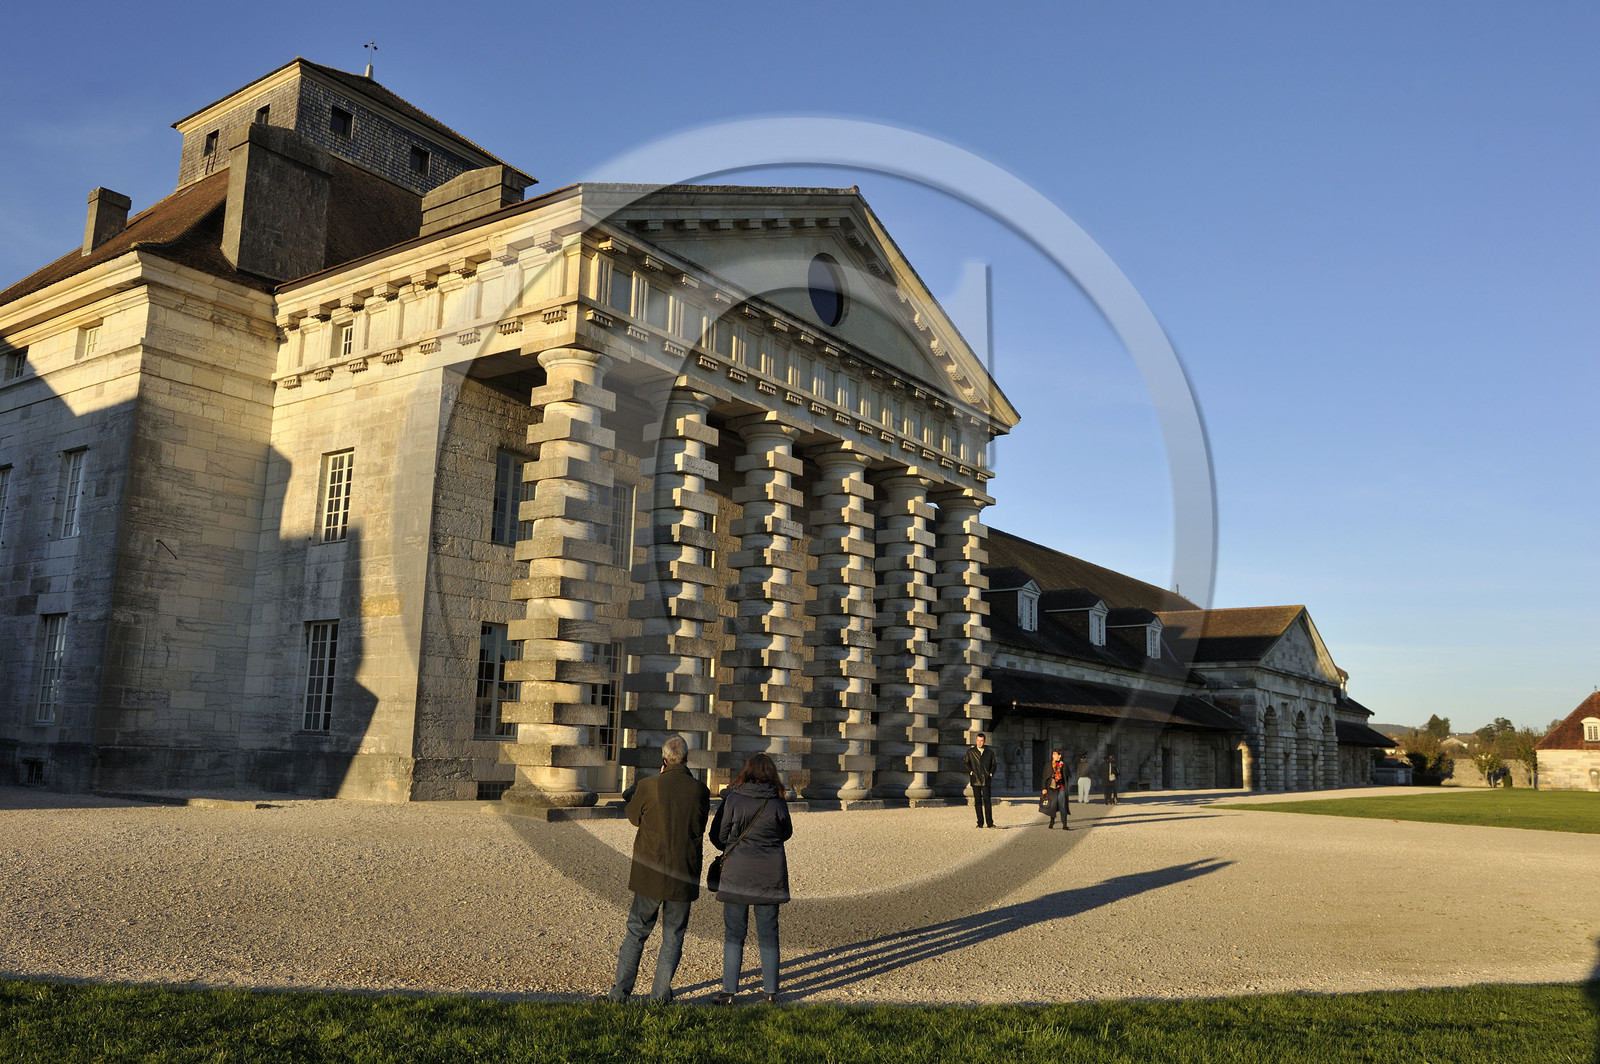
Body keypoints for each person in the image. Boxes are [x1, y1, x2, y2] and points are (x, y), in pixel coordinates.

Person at [608, 734, 710, 1003]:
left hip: (649, 872)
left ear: (663, 761)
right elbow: (699, 827)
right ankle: (660, 995)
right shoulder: (700, 790)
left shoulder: (648, 785)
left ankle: (620, 994)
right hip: (683, 873)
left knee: (637, 931)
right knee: (673, 935)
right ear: (687, 758)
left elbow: (632, 819)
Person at [708, 752, 793, 1005]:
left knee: (734, 933)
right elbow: (786, 833)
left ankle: (729, 991)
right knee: (769, 933)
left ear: (747, 772)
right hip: (769, 873)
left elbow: (718, 836)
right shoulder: (778, 802)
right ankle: (770, 992)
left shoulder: (734, 799)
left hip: (737, 872)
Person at [964, 731, 997, 828]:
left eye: (981, 741)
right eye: (978, 740)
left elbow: (994, 764)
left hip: (986, 779)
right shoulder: (971, 752)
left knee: (987, 801)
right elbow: (966, 763)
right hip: (975, 779)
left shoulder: (989, 752)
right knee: (977, 801)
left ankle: (990, 823)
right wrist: (970, 772)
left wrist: (990, 774)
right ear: (976, 741)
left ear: (984, 741)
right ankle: (980, 823)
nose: (979, 743)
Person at [1042, 748, 1070, 829]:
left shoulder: (1064, 764)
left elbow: (1067, 776)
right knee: (1052, 806)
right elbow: (1044, 777)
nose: (1053, 756)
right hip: (1051, 788)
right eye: (1053, 754)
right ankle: (1052, 821)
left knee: (1063, 806)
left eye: (1055, 754)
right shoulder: (1049, 764)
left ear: (1060, 755)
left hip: (1061, 788)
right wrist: (1044, 788)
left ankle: (1064, 824)